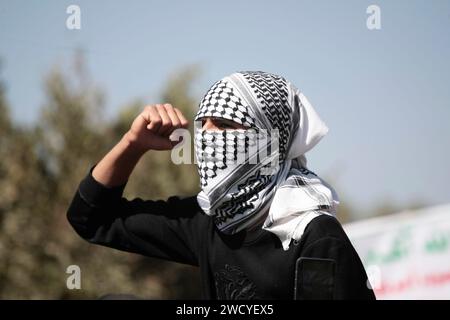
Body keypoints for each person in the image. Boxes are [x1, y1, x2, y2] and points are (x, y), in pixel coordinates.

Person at [67, 71, 376, 300]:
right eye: (204, 125)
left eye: (226, 126)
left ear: (269, 142)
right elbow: (91, 218)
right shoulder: (211, 221)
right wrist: (132, 144)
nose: (208, 138)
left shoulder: (312, 235)